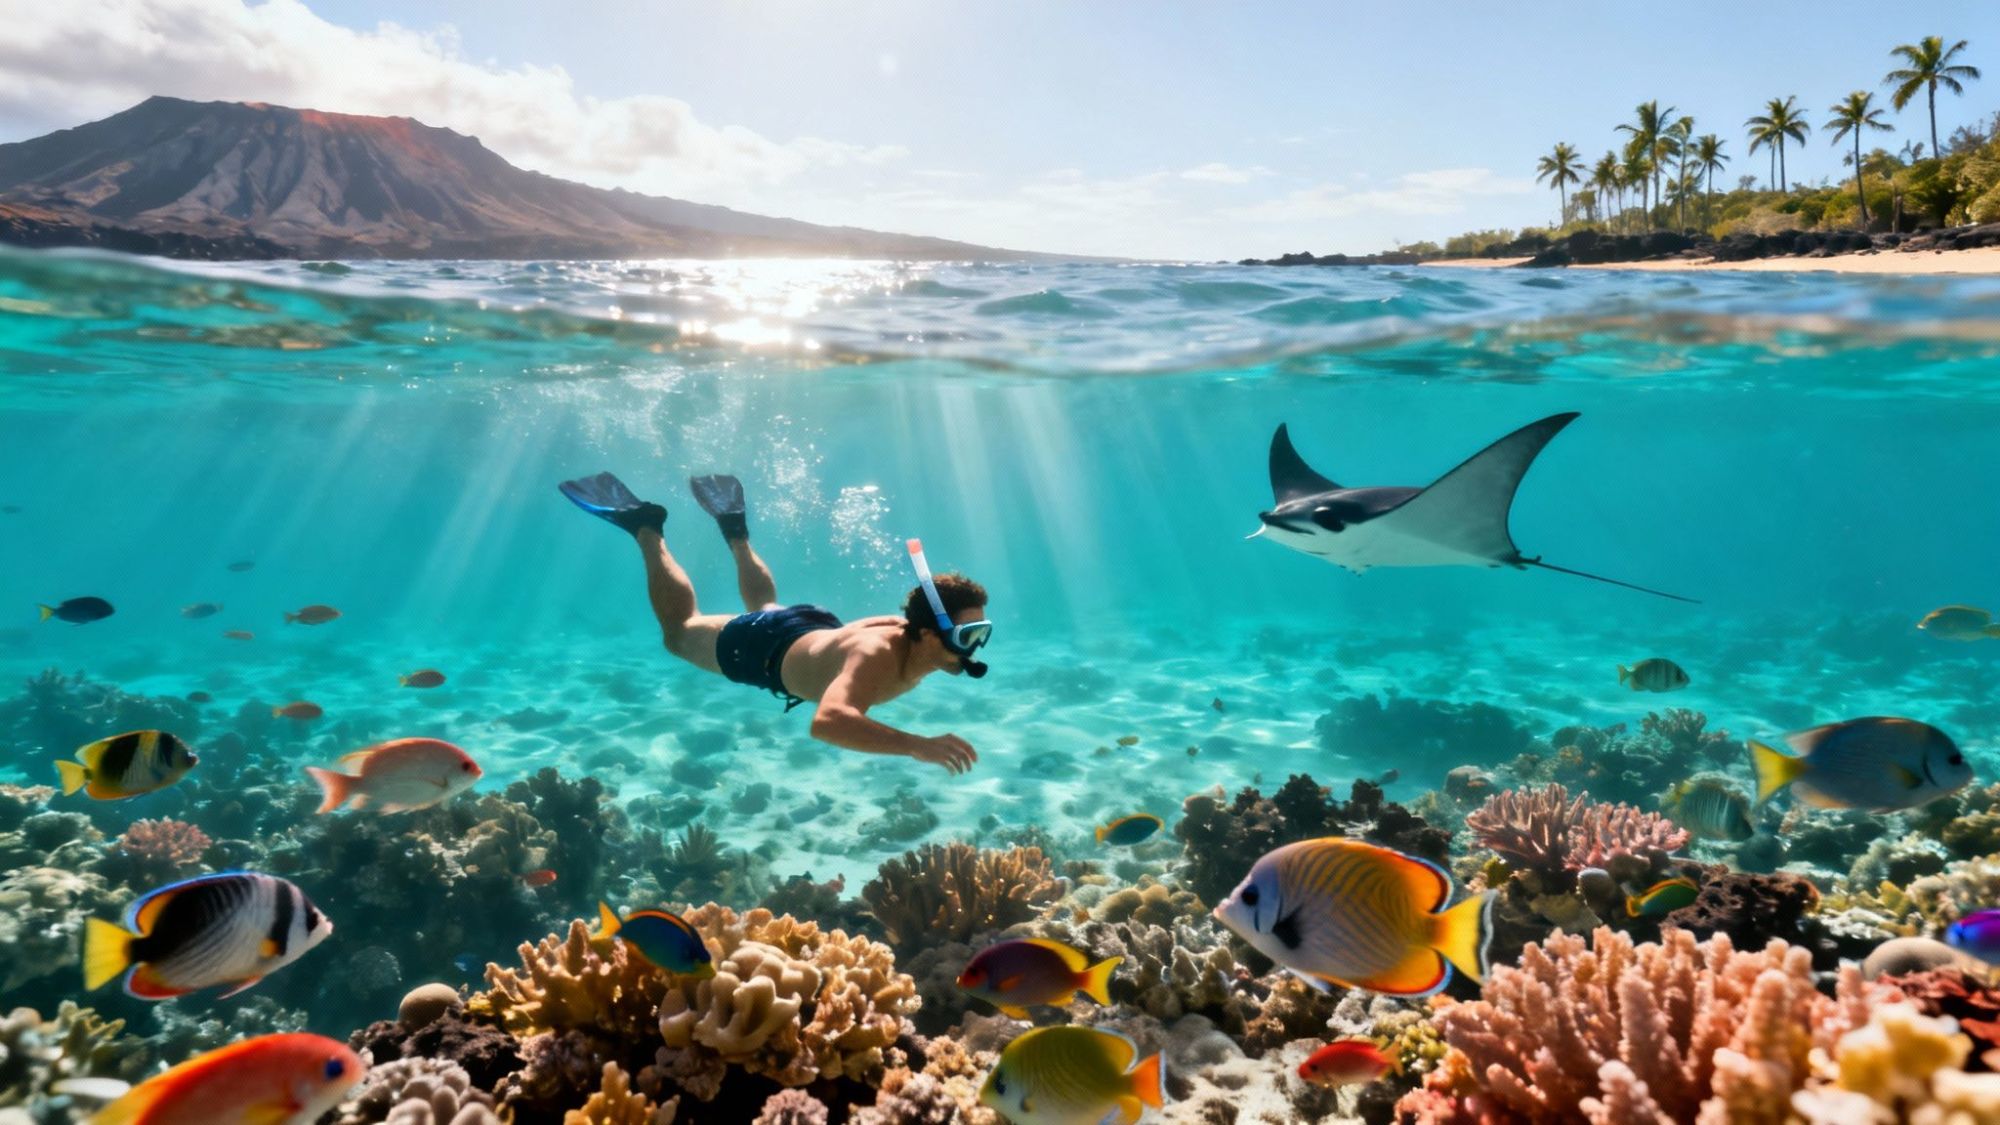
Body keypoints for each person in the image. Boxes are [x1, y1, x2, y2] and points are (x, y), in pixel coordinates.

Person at [559, 471, 990, 774]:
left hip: (810, 627)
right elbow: (828, 721)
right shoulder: (875, 655)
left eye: (982, 633)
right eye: (969, 635)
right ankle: (645, 526)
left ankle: (735, 530)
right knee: (679, 632)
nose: (975, 648)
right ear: (929, 634)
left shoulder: (914, 633)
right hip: (764, 648)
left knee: (767, 605)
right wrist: (917, 745)